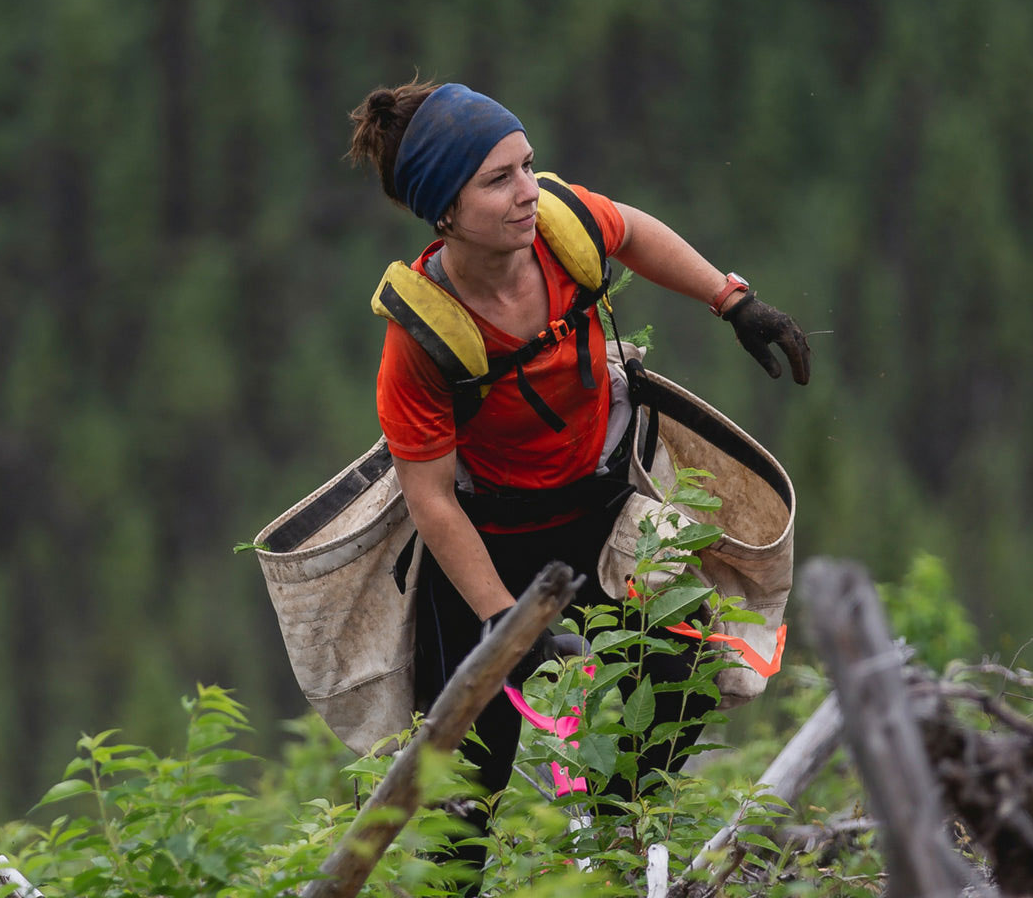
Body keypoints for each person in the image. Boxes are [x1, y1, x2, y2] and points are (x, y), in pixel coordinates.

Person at [347, 79, 809, 882]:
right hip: (487, 553)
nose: (527, 192)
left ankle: (613, 849)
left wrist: (733, 301)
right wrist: (506, 624)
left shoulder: (563, 230)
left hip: (599, 513)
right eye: (498, 180)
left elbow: (631, 231)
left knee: (683, 671)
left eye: (527, 165)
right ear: (444, 210)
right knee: (467, 794)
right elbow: (429, 499)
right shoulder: (420, 341)